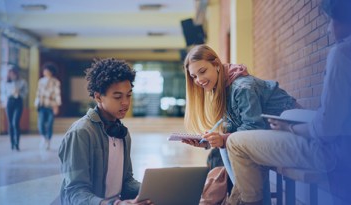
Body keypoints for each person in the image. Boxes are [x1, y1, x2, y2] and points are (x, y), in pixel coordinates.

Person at [225, 0, 351, 204]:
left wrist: (290, 128)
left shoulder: (342, 53)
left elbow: (327, 129)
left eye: (329, 22)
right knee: (286, 116)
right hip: (340, 146)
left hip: (334, 153)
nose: (328, 29)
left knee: (234, 142)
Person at [181, 44, 299, 205]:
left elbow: (252, 129)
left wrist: (222, 139)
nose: (199, 80)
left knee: (239, 152)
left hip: (294, 137)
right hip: (270, 138)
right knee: (227, 149)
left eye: (202, 72)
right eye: (194, 76)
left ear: (216, 64)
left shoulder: (242, 87)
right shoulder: (221, 88)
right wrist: (210, 141)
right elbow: (235, 131)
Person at [58, 58, 152, 205]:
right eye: (117, 96)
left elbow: (126, 182)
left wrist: (152, 190)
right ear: (98, 96)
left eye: (128, 95)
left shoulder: (122, 133)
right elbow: (75, 192)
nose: (126, 102)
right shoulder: (80, 133)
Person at [34, 64, 61, 150]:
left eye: (47, 70)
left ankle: (48, 141)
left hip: (51, 106)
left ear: (51, 71)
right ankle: (43, 138)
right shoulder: (41, 81)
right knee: (40, 124)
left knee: (49, 124)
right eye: (44, 70)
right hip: (42, 106)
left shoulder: (56, 82)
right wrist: (36, 104)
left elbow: (57, 94)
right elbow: (38, 93)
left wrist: (56, 106)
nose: (45, 72)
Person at [5, 66, 28, 151]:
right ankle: (11, 143)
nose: (12, 76)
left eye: (13, 74)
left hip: (18, 103)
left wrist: (18, 92)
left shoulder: (22, 82)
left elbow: (25, 94)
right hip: (9, 103)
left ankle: (17, 143)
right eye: (10, 74)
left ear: (16, 74)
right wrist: (10, 93)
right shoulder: (7, 83)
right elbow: (4, 93)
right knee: (10, 124)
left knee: (15, 123)